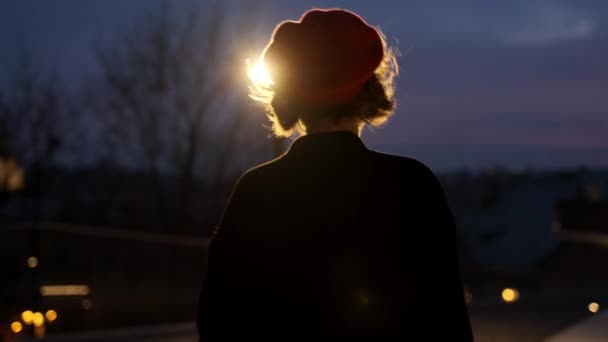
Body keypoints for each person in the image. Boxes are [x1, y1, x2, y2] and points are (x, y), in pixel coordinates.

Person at [197, 8, 473, 339]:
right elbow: (445, 316)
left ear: (288, 93)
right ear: (369, 89)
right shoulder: (412, 185)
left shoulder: (256, 191)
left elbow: (219, 319)